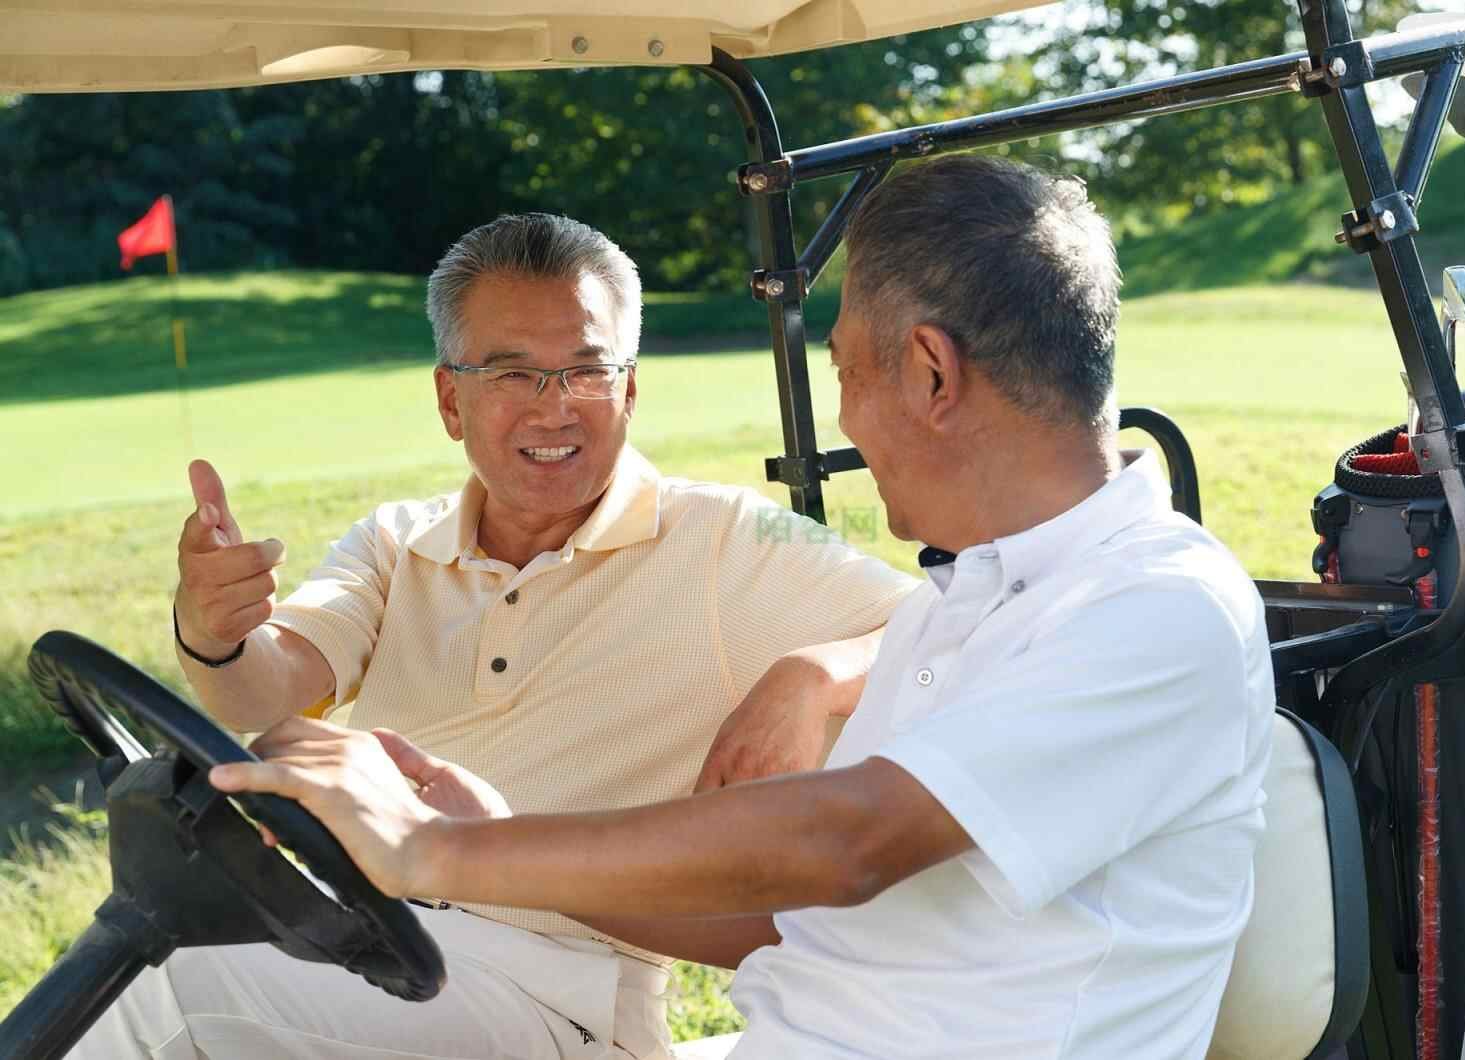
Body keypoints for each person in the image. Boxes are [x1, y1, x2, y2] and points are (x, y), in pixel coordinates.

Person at [211, 155, 1276, 1059]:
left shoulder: (1156, 603)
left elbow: (846, 841)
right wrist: (491, 832)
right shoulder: (970, 601)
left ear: (931, 374)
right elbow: (786, 918)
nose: (848, 416)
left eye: (845, 371)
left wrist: (432, 853)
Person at [71, 213, 917, 1060]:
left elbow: (954, 623)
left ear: (629, 388)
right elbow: (265, 685)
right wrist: (214, 630)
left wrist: (815, 672)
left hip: (557, 990)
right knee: (159, 943)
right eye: (513, 373)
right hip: (363, 925)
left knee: (161, 982)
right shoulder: (396, 543)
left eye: (587, 370)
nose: (556, 408)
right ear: (451, 399)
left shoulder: (726, 540)